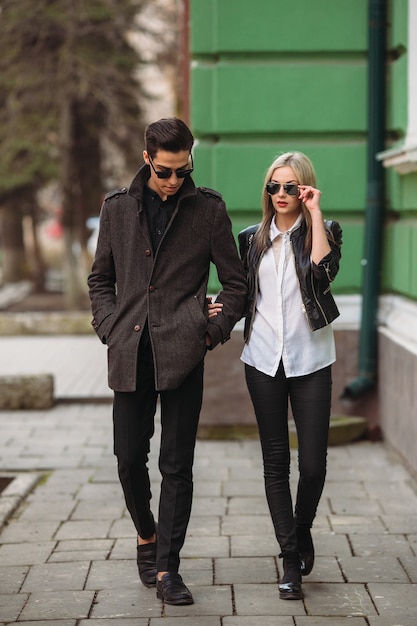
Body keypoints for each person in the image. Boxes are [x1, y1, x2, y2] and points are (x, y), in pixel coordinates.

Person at [88, 117, 247, 606]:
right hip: (129, 351)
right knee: (129, 459)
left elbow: (236, 283)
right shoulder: (117, 209)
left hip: (183, 353)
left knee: (177, 466)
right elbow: (100, 281)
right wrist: (110, 328)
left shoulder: (207, 210)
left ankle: (168, 568)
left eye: (183, 170)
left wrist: (211, 332)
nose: (174, 181)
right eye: (164, 172)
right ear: (146, 160)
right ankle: (145, 533)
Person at [236, 151, 342, 600]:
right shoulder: (250, 239)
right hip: (263, 360)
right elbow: (242, 292)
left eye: (290, 186)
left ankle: (301, 530)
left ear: (305, 189)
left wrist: (315, 213)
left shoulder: (326, 231)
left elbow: (322, 273)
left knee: (313, 464)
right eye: (273, 186)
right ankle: (289, 561)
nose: (281, 194)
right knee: (275, 464)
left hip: (311, 359)